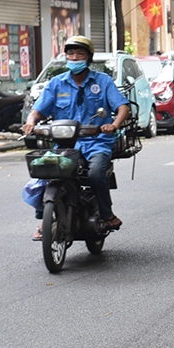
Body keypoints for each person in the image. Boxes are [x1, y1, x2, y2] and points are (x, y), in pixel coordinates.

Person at [22, 36, 130, 239]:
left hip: (97, 143)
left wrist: (113, 125)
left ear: (89, 57)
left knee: (96, 173)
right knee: (46, 170)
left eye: (80, 54)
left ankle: (106, 214)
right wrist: (31, 121)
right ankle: (43, 219)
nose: (74, 58)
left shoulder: (103, 81)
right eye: (70, 54)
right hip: (65, 144)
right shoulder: (56, 83)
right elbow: (38, 110)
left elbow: (122, 107)